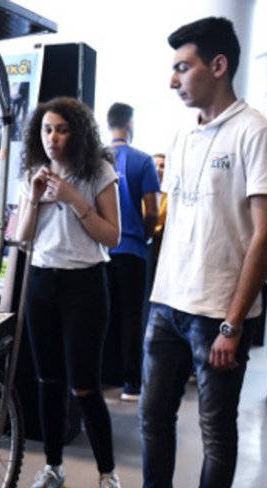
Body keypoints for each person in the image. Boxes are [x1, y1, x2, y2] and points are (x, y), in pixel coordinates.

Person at [143, 17, 267, 488]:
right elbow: (176, 221)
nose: (173, 80)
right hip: (167, 304)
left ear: (218, 65)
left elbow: (266, 235)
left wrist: (233, 322)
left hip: (218, 314)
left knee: (216, 432)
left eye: (183, 67)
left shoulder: (256, 131)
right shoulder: (181, 136)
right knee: (152, 419)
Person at [16, 96, 122, 488]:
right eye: (47, 129)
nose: (53, 138)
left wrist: (74, 199)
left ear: (77, 133)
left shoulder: (98, 171)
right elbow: (23, 238)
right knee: (48, 381)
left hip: (85, 285)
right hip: (42, 283)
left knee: (84, 387)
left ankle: (108, 475)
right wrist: (34, 198)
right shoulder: (33, 173)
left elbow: (112, 236)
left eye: (61, 130)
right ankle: (53, 468)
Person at [104, 102, 159, 401]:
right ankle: (131, 384)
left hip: (100, 249)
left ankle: (104, 376)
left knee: (103, 314)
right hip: (132, 249)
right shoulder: (143, 160)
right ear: (129, 124)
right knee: (131, 316)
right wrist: (143, 236)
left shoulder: (96, 159)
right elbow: (152, 211)